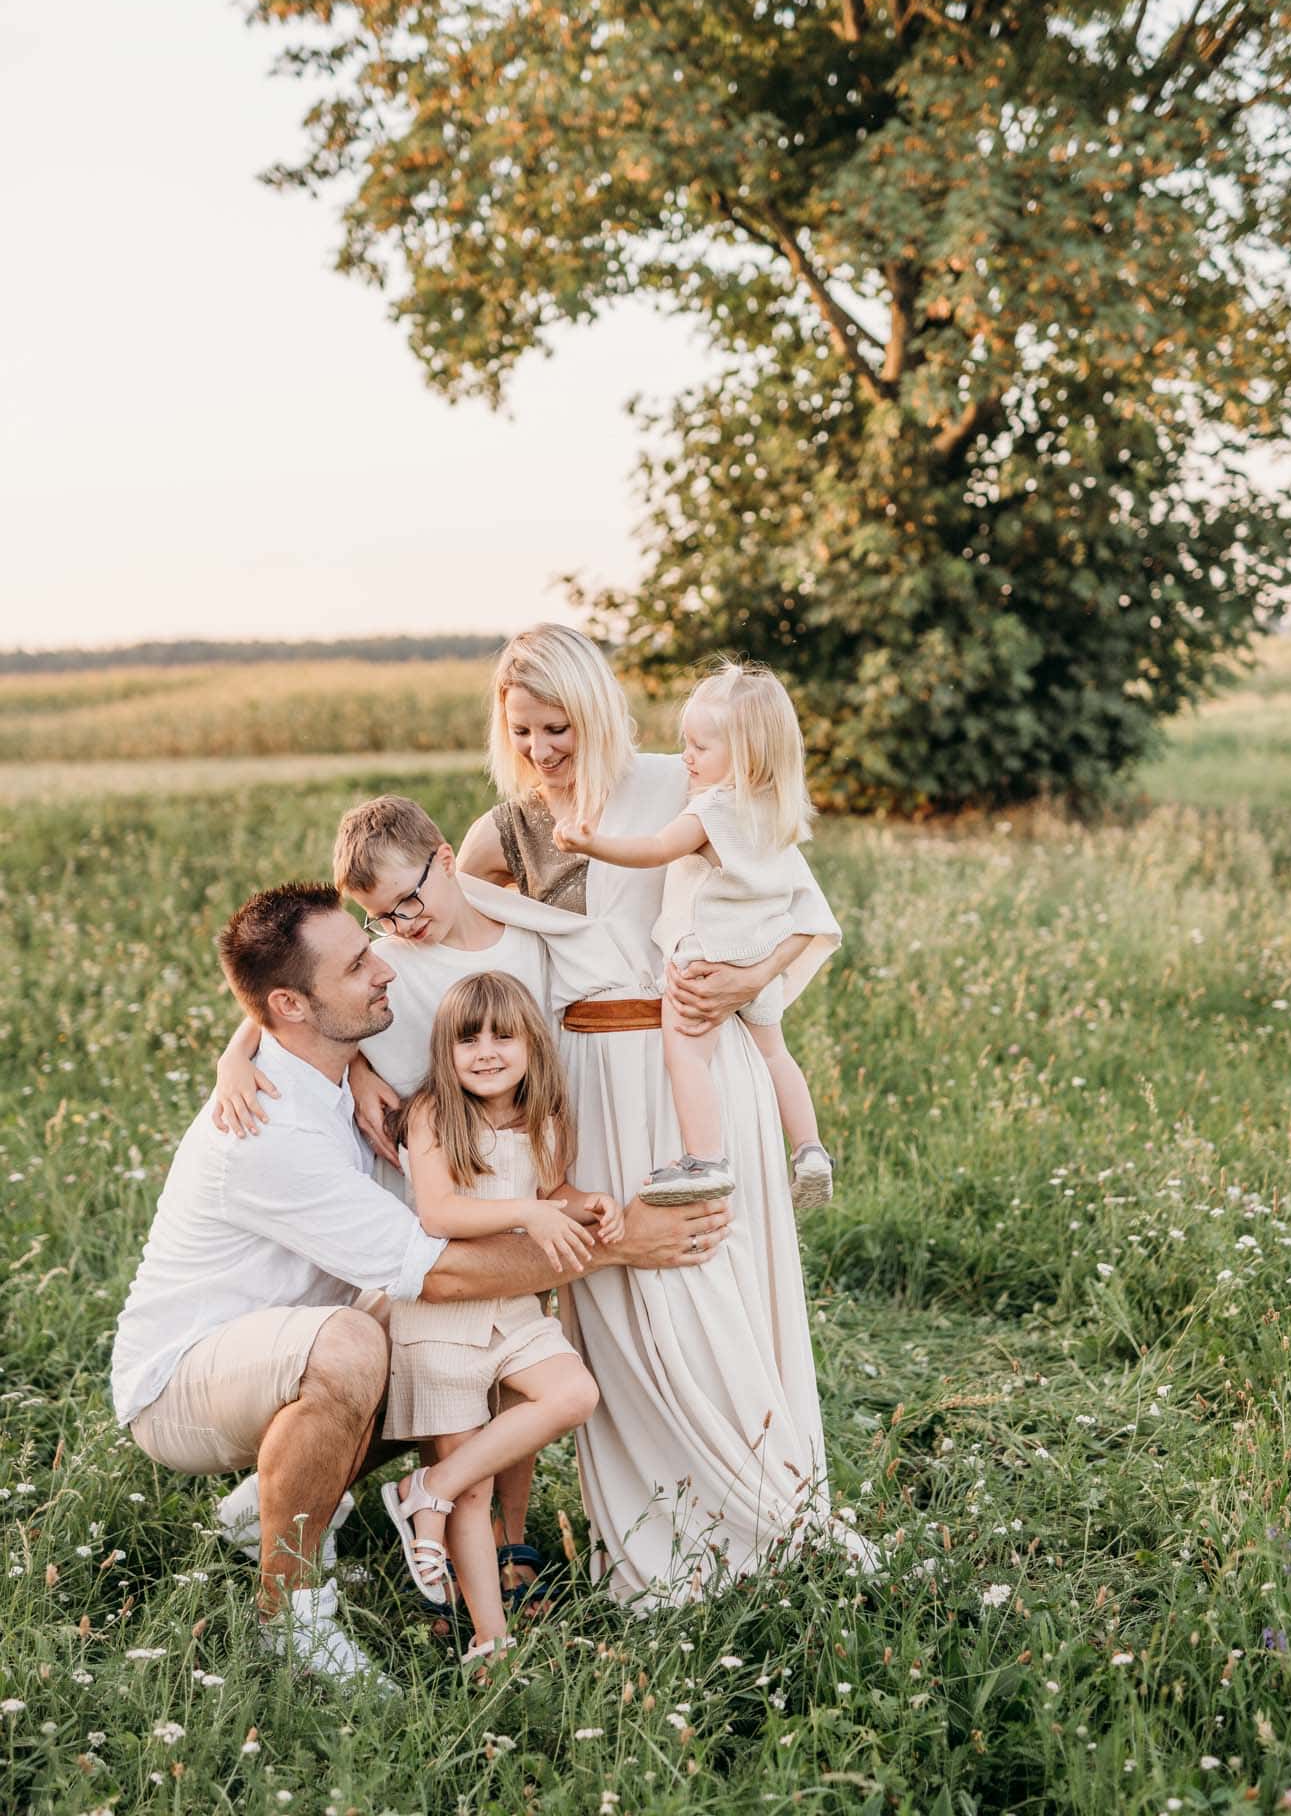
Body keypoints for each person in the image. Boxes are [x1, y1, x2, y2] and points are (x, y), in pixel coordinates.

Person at [111, 882, 731, 1686]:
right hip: (181, 1383)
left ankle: (262, 1507)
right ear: (291, 1006)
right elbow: (437, 1272)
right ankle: (288, 1618)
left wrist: (278, 1048)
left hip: (293, 1333)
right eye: (357, 966)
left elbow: (272, 1003)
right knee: (357, 1342)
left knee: (453, 1338)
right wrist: (618, 1245)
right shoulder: (267, 1130)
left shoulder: (335, 1068)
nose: (385, 970)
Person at [458, 623, 871, 1605]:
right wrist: (248, 1043)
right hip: (589, 1086)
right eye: (523, 730)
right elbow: (394, 926)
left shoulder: (682, 783)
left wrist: (753, 976)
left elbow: (795, 898)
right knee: (624, 1309)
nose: (541, 749)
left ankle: (771, 1523)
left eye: (558, 726)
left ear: (596, 711)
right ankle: (658, 1562)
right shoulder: (506, 832)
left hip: (696, 1068)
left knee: (711, 1289)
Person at [381, 973, 619, 1664]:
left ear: (531, 1045)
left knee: (573, 1394)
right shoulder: (434, 1113)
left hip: (513, 1311)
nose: (486, 1052)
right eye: (468, 1040)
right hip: (442, 1317)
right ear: (446, 1051)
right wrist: (528, 1213)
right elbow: (439, 1214)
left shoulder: (544, 1116)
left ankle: (426, 1491)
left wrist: (587, 1202)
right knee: (476, 1484)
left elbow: (552, 1189)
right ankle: (490, 1640)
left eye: (502, 1037)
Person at [554, 660, 835, 1211]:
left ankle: (706, 1158)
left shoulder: (712, 809)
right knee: (776, 1055)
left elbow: (656, 849)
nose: (686, 757)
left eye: (700, 747)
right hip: (759, 963)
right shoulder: (774, 814)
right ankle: (810, 1149)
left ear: (746, 755)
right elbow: (800, 905)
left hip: (705, 960)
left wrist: (592, 844)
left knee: (685, 1055)